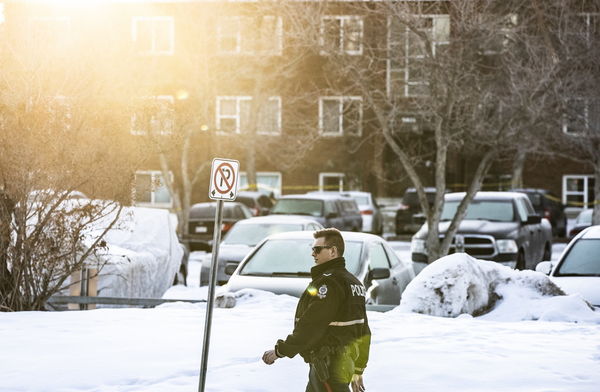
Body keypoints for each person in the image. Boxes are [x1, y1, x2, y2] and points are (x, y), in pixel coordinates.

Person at [262, 228, 371, 392]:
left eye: (317, 249)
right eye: (312, 249)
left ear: (333, 251)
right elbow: (363, 330)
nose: (313, 254)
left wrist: (281, 351)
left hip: (329, 365)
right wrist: (357, 369)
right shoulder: (353, 282)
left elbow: (312, 324)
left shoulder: (329, 284)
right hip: (340, 362)